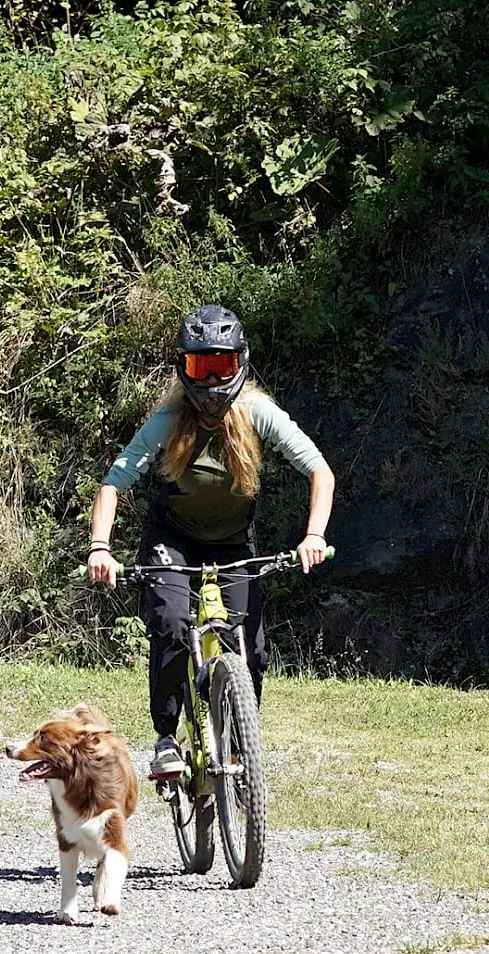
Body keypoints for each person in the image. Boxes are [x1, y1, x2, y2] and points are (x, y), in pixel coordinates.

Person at [87, 304, 334, 778]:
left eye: (222, 366)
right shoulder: (170, 417)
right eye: (202, 367)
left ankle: (243, 745)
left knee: (250, 648)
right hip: (172, 538)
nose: (212, 381)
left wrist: (314, 535)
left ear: (241, 363)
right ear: (185, 367)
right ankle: (165, 737)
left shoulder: (257, 412)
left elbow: (319, 471)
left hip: (232, 541)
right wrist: (101, 545)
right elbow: (114, 482)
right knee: (173, 624)